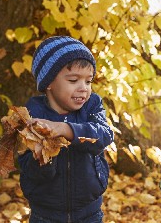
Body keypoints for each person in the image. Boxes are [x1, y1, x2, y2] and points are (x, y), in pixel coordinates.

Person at [20, 36, 114, 223]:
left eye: (88, 81)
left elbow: (104, 135)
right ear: (49, 83)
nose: (83, 89)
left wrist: (66, 129)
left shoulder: (92, 106)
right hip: (45, 214)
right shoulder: (33, 113)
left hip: (89, 211)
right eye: (73, 80)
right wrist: (43, 159)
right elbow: (27, 167)